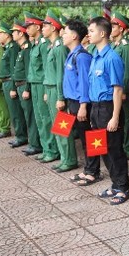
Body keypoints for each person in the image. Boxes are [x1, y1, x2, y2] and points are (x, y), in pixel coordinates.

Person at [88, 17, 129, 205]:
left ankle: (123, 187)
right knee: (102, 148)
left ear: (102, 33)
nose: (88, 34)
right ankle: (115, 184)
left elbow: (117, 89)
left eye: (91, 31)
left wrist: (114, 116)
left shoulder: (112, 57)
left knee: (114, 149)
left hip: (108, 108)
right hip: (96, 108)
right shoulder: (95, 56)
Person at [63, 20, 97, 183]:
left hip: (82, 103)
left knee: (89, 138)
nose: (63, 35)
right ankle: (89, 168)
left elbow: (85, 82)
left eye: (66, 32)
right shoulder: (73, 54)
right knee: (84, 139)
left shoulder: (82, 57)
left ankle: (93, 171)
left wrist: (83, 106)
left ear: (75, 36)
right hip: (73, 102)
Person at [43, 11, 76, 172]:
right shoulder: (52, 46)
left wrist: (61, 97)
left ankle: (69, 159)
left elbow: (61, 75)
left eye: (46, 25)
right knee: (56, 127)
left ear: (54, 27)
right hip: (50, 90)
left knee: (62, 126)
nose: (43, 28)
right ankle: (64, 158)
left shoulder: (59, 48)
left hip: (57, 92)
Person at [24, 12, 59, 163]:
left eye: (29, 26)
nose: (26, 29)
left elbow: (47, 69)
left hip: (42, 85)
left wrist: (45, 90)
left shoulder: (44, 44)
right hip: (35, 84)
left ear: (36, 27)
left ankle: (52, 150)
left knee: (46, 119)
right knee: (39, 119)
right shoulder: (36, 44)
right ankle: (46, 149)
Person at [109, 11, 129, 160]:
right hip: (116, 89)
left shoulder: (125, 47)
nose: (110, 29)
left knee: (127, 118)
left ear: (121, 28)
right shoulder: (115, 45)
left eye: (113, 26)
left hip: (125, 89)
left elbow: (128, 71)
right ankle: (124, 145)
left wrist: (124, 90)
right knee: (121, 118)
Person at [12, 21, 41, 156]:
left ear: (20, 33)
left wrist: (27, 89)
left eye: (14, 32)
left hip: (25, 85)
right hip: (20, 85)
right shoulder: (23, 48)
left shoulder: (28, 48)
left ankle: (35, 144)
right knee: (27, 115)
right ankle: (33, 142)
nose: (12, 34)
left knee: (31, 117)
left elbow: (30, 71)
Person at [2, 21, 28, 147]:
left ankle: (22, 136)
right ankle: (21, 136)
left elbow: (13, 69)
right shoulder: (13, 48)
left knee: (18, 113)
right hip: (14, 83)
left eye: (14, 31)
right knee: (15, 112)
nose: (12, 33)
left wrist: (12, 87)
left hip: (17, 84)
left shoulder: (15, 48)